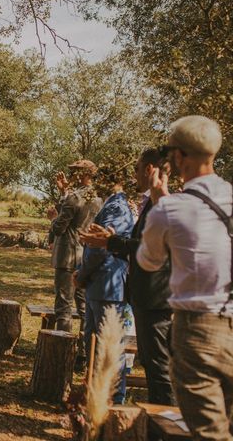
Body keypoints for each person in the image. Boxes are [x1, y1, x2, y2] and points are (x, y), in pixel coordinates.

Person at [137, 116, 232, 440]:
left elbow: (149, 261)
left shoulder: (169, 209)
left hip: (197, 330)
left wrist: (158, 199)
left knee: (207, 433)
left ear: (178, 157)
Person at [81, 148, 175, 406]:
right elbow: (141, 242)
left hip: (155, 298)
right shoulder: (148, 204)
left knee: (160, 371)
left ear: (149, 170)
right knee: (153, 367)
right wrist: (113, 240)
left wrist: (110, 242)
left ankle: (162, 424)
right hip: (145, 297)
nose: (133, 175)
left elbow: (153, 248)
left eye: (136, 169)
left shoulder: (163, 205)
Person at [76, 168, 134, 404]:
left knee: (108, 344)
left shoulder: (117, 207)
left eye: (101, 180)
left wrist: (82, 273)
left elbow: (101, 246)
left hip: (107, 284)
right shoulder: (110, 205)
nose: (96, 185)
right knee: (93, 343)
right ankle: (94, 396)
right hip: (98, 285)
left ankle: (113, 399)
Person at [50, 160, 103, 364]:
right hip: (86, 255)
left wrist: (53, 217)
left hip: (67, 256)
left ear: (81, 175)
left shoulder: (74, 197)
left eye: (74, 172)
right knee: (83, 308)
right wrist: (64, 192)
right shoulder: (98, 197)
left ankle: (61, 354)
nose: (71, 175)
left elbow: (59, 228)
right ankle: (83, 354)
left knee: (63, 305)